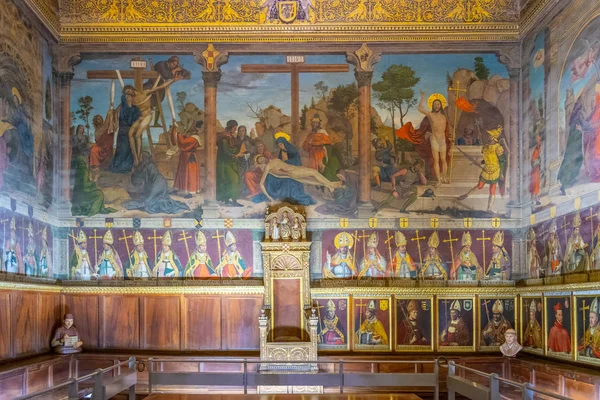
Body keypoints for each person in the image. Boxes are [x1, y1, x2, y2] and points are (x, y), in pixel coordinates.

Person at [253, 133, 341, 205]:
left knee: (310, 179)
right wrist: (270, 198)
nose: (262, 159)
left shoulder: (273, 160)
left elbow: (285, 162)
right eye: (260, 160)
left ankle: (329, 185)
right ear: (261, 163)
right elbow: (262, 184)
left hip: (295, 170)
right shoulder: (268, 167)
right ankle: (331, 184)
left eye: (261, 157)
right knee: (313, 172)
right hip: (293, 172)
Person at [396, 91, 451, 187]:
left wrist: (450, 137)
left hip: (442, 140)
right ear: (433, 106)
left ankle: (444, 177)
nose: (437, 106)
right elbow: (420, 108)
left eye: (438, 104)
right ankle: (439, 180)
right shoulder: (430, 115)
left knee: (444, 160)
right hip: (434, 139)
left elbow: (446, 130)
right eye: (435, 104)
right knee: (436, 160)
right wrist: (422, 97)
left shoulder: (444, 117)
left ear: (441, 105)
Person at [127, 77, 182, 167]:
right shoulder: (132, 100)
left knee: (137, 135)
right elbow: (130, 110)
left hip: (147, 116)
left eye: (129, 92)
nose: (129, 95)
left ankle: (139, 156)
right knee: (130, 134)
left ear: (132, 89)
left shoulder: (145, 93)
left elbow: (160, 87)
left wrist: (173, 80)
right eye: (127, 94)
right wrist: (129, 102)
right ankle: (135, 156)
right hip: (140, 117)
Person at [458, 124, 507, 212]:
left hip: (495, 170)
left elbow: (502, 161)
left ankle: (489, 209)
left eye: (489, 135)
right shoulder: (486, 146)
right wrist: (480, 162)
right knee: (479, 186)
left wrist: (502, 173)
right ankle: (466, 195)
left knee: (492, 190)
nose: (488, 136)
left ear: (493, 137)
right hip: (486, 169)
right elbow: (487, 159)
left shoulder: (498, 147)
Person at [123, 152, 190, 214]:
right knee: (149, 199)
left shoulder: (150, 165)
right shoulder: (144, 165)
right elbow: (140, 175)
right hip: (157, 182)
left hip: (158, 183)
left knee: (150, 202)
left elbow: (143, 175)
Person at [109, 86, 141, 173]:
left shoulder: (135, 108)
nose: (128, 96)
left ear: (132, 96)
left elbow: (139, 119)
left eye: (130, 94)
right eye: (126, 94)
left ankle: (128, 168)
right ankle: (118, 167)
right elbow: (115, 112)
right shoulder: (122, 106)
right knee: (121, 150)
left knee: (129, 150)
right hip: (122, 131)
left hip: (131, 131)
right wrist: (115, 123)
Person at [171, 122, 203, 198]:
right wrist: (175, 129)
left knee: (190, 174)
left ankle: (190, 192)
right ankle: (177, 189)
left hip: (190, 158)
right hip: (184, 157)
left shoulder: (194, 138)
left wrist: (178, 133)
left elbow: (183, 142)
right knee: (181, 173)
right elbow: (178, 141)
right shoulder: (190, 136)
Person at [217, 120, 243, 206]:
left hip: (231, 162)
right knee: (233, 179)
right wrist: (234, 156)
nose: (235, 131)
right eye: (234, 128)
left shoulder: (230, 137)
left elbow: (234, 147)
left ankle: (231, 200)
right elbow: (225, 151)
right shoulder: (225, 137)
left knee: (232, 180)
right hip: (225, 162)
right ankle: (230, 201)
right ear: (230, 127)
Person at [89, 111, 117, 182]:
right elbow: (98, 139)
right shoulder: (98, 130)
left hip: (106, 148)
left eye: (100, 118)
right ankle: (95, 167)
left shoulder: (106, 128)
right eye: (98, 119)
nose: (100, 120)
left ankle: (97, 169)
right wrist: (109, 113)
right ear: (95, 121)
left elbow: (113, 129)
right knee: (94, 149)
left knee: (94, 148)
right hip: (100, 147)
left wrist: (112, 117)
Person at [530, 135, 542, 205]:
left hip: (536, 170)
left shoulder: (537, 150)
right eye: (539, 143)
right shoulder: (535, 150)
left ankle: (536, 198)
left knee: (536, 185)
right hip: (534, 170)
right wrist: (539, 160)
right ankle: (533, 200)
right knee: (534, 185)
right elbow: (533, 161)